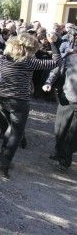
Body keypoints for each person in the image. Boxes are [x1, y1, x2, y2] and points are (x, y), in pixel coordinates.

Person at [0, 33, 61, 179]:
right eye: (34, 49)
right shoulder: (29, 62)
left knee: (10, 129)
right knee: (16, 134)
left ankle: (2, 159)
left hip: (1, 98)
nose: (35, 52)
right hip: (18, 101)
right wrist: (53, 43)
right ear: (28, 49)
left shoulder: (5, 58)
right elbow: (56, 62)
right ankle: (3, 166)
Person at [43, 29, 76, 169]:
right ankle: (59, 151)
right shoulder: (71, 57)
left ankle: (65, 159)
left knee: (73, 133)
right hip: (67, 98)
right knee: (60, 129)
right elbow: (57, 68)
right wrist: (49, 82)